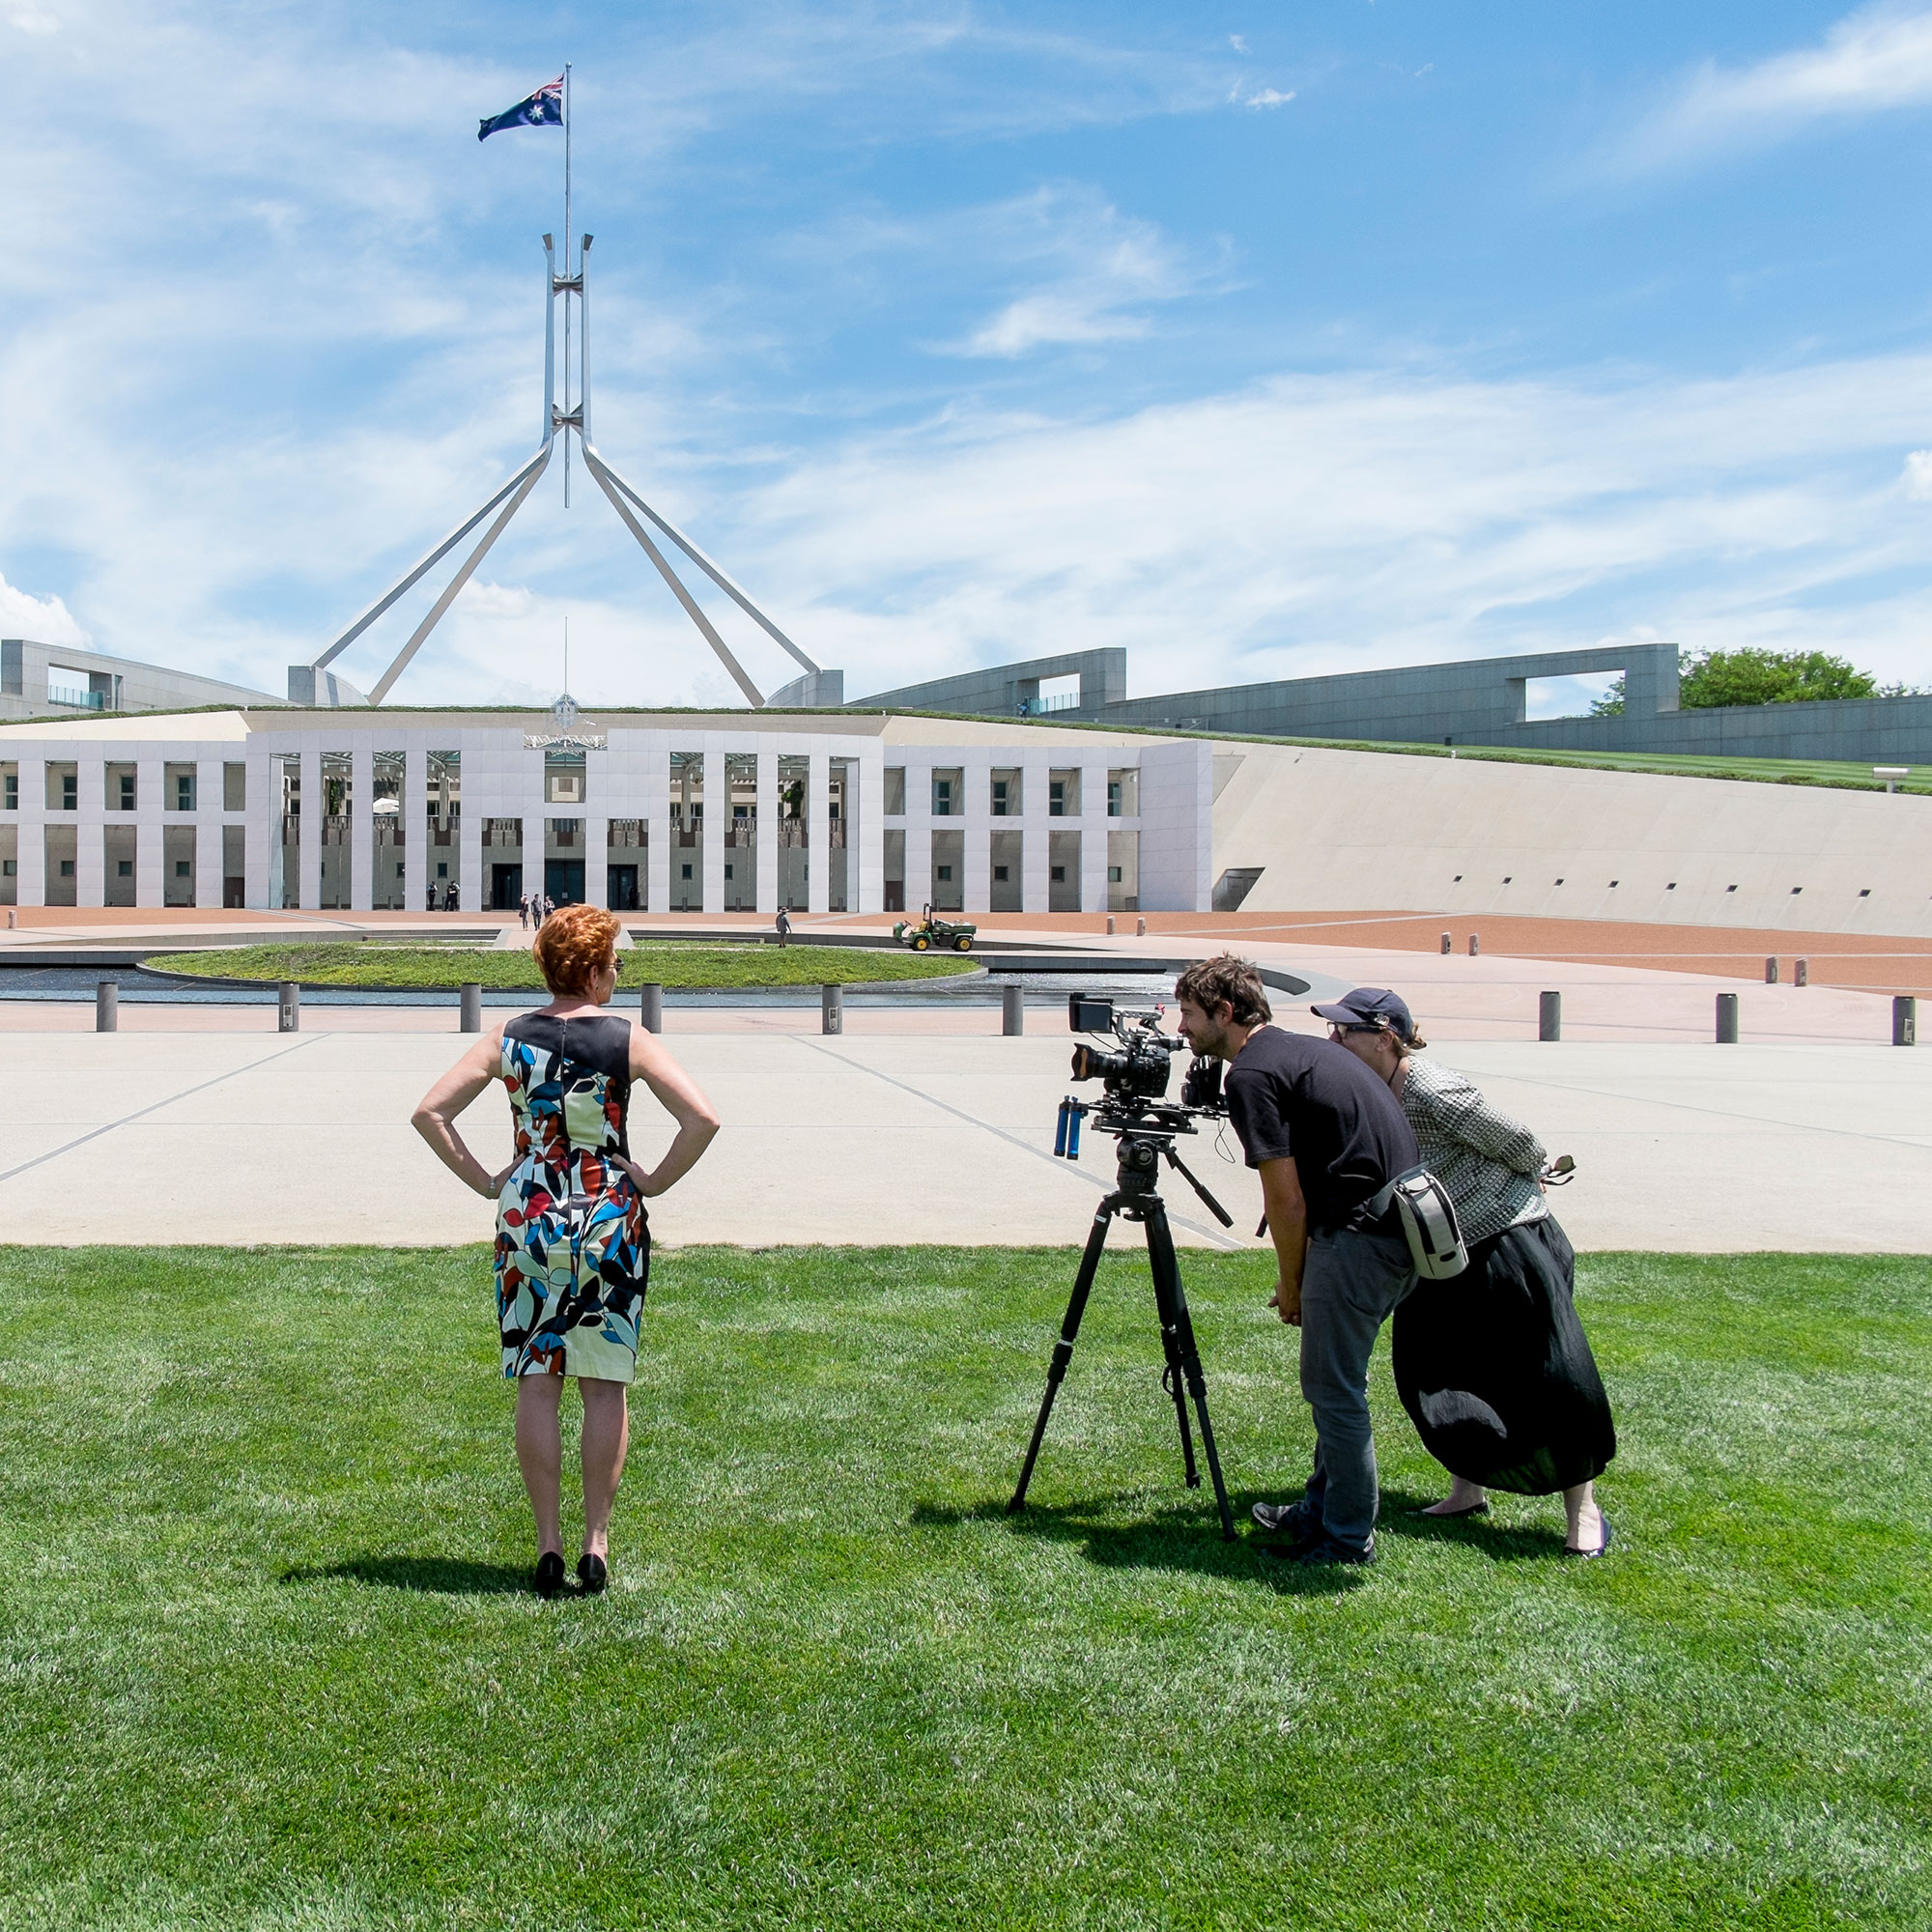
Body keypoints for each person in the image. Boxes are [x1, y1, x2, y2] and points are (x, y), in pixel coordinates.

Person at [411, 902, 720, 1597]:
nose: (618, 969)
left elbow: (429, 1112)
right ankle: (595, 1544)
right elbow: (702, 1117)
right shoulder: (628, 1038)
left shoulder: (507, 1038)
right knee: (604, 1384)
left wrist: (492, 1179)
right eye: (613, 959)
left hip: (531, 1218)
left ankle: (547, 1544)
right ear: (591, 965)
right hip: (609, 1216)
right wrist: (652, 1180)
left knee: (537, 1380)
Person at [1315, 987, 1615, 1558]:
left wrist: (1529, 1178)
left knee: (1547, 1379)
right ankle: (1466, 1489)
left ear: (1384, 1038)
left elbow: (1518, 1140)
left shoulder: (1429, 1086)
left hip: (1509, 1242)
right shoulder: (1370, 1089)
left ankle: (1584, 1510)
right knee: (1437, 1372)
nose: (1334, 1040)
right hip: (1440, 1251)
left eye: (1344, 1031)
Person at [1174, 954, 1420, 1567]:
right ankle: (1322, 1508)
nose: (1181, 1029)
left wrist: (1293, 1284)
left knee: (1333, 1391)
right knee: (1337, 1381)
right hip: (1397, 1226)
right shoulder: (1297, 1049)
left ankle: (1343, 1538)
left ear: (1225, 1014)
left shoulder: (1251, 1075)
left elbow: (1284, 1200)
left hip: (1362, 1237)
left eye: (1188, 1013)